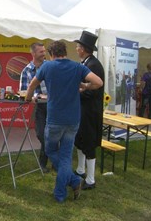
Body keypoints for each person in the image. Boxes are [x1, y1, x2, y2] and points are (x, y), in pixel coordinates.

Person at [25, 40, 103, 203]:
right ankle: (65, 189)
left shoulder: (47, 67)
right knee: (66, 156)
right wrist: (84, 86)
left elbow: (32, 84)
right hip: (73, 119)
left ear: (51, 54)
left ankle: (70, 185)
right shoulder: (77, 67)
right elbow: (98, 82)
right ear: (65, 51)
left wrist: (27, 97)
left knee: (51, 150)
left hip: (55, 119)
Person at [73, 31, 105, 190]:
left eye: (78, 46)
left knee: (89, 143)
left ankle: (91, 179)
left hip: (90, 111)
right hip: (83, 109)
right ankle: (80, 170)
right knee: (80, 140)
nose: (76, 49)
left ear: (83, 49)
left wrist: (78, 91)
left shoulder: (93, 65)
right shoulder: (87, 63)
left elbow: (94, 90)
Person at [19, 42, 49, 173]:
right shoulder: (26, 70)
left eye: (44, 51)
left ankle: (43, 163)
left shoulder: (50, 66)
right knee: (41, 134)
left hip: (54, 105)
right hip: (40, 106)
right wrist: (37, 95)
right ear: (33, 53)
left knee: (52, 135)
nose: (44, 53)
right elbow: (23, 92)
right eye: (41, 52)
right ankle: (53, 157)